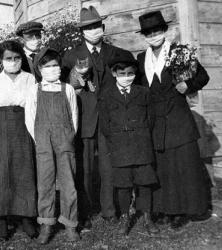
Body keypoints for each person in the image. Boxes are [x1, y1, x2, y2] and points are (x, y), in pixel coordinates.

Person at [136, 11, 211, 229]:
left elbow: (203, 76)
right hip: (156, 121)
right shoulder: (142, 59)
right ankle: (167, 209)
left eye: (157, 30)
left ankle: (188, 210)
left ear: (164, 31)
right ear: (144, 35)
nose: (153, 35)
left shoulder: (179, 52)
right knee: (164, 167)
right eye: (148, 32)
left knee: (184, 165)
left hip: (178, 117)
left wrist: (188, 86)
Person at [62, 5, 134, 227]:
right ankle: (84, 212)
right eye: (89, 27)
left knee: (108, 166)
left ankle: (109, 211)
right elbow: (64, 89)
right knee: (84, 169)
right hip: (84, 119)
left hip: (110, 120)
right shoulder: (71, 56)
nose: (94, 30)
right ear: (82, 32)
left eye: (97, 26)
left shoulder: (117, 54)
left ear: (103, 27)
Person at [0, 40, 37, 241]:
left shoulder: (29, 79)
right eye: (8, 58)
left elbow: (35, 105)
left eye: (17, 58)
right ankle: (3, 218)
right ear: (1, 60)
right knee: (1, 172)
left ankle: (27, 217)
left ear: (21, 58)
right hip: (1, 128)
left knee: (24, 170)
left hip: (24, 126)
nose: (13, 62)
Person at [99, 50, 159, 235]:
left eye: (131, 74)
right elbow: (105, 124)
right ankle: (125, 217)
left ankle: (147, 217)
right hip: (120, 147)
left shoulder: (143, 93)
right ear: (114, 74)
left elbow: (151, 119)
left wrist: (139, 134)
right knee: (123, 185)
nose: (127, 77)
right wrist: (118, 138)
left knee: (144, 183)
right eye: (122, 74)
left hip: (141, 145)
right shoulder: (106, 95)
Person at [25, 47, 80, 244]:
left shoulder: (68, 89)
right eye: (47, 66)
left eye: (55, 65)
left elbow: (74, 116)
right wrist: (39, 138)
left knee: (69, 183)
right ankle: (46, 224)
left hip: (64, 139)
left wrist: (68, 136)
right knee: (45, 183)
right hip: (43, 141)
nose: (52, 69)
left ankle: (70, 223)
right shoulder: (34, 90)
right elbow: (30, 119)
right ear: (40, 69)